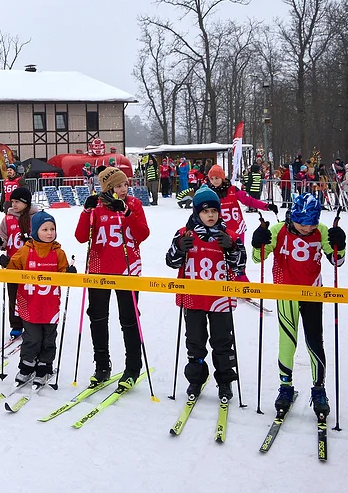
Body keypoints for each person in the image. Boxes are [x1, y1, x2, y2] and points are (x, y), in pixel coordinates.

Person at [251, 192, 345, 420]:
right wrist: (258, 241)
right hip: (285, 292)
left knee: (314, 341)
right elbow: (257, 258)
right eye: (301, 222)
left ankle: (319, 389)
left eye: (311, 223)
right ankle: (285, 386)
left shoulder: (321, 230)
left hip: (313, 292)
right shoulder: (279, 230)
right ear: (292, 216)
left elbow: (337, 261)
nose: (306, 228)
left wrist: (339, 243)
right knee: (287, 340)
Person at [165, 186, 243, 402]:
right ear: (196, 213)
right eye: (205, 211)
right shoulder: (184, 234)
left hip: (220, 298)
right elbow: (171, 262)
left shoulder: (228, 235)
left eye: (214, 211)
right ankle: (196, 379)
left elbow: (240, 266)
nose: (210, 215)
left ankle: (225, 380)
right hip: (193, 297)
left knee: (222, 341)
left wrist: (232, 248)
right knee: (195, 341)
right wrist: (180, 248)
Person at [75, 166, 151, 389]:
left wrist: (126, 213)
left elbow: (142, 234)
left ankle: (132, 368)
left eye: (126, 184)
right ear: (107, 188)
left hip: (128, 268)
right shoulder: (96, 207)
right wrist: (86, 212)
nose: (124, 189)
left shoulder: (134, 205)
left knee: (129, 319)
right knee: (98, 318)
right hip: (99, 268)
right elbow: (81, 237)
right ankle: (101, 366)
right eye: (118, 185)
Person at [3, 211, 75, 387]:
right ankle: (27, 366)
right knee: (32, 338)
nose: (50, 233)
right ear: (35, 231)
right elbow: (13, 272)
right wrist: (7, 264)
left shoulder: (58, 253)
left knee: (49, 338)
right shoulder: (25, 252)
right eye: (45, 229)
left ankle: (44, 366)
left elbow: (63, 273)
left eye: (52, 229)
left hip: (50, 305)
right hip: (30, 304)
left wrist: (69, 274)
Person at [204, 164, 277, 280]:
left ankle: (241, 283)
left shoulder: (233, 190)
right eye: (211, 179)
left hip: (237, 229)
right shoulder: (208, 193)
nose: (214, 181)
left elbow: (248, 200)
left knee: (238, 257)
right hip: (219, 230)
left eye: (217, 178)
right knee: (219, 257)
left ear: (222, 178)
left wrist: (266, 206)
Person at [0, 186, 37, 338]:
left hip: (31, 264)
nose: (14, 204)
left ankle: (31, 322)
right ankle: (16, 324)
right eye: (12, 201)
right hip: (12, 263)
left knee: (30, 294)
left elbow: (43, 236)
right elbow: (3, 236)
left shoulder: (35, 217)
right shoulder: (8, 218)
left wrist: (31, 239)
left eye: (17, 201)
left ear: (26, 203)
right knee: (13, 295)